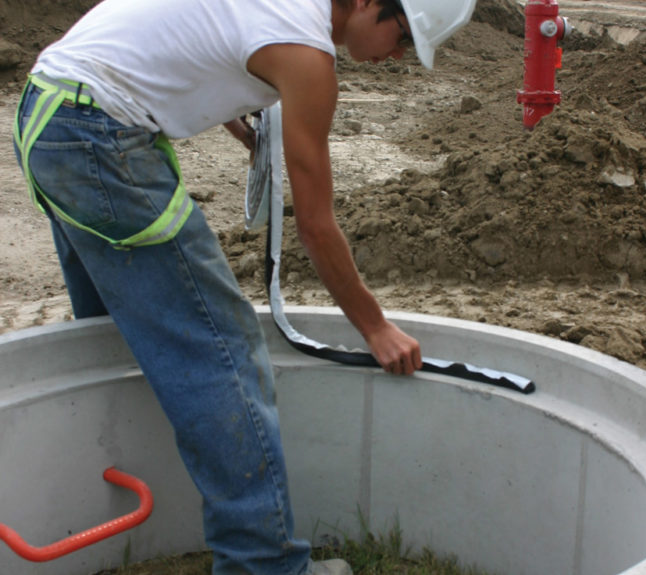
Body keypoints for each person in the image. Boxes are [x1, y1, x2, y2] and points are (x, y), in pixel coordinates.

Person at [12, 0, 476, 573]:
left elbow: (194, 43)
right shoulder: (308, 56)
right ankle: (263, 565)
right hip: (98, 138)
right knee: (222, 348)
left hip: (48, 111)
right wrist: (374, 326)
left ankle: (103, 510)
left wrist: (242, 130)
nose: (398, 55)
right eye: (401, 35)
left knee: (118, 336)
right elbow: (315, 224)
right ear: (364, 3)